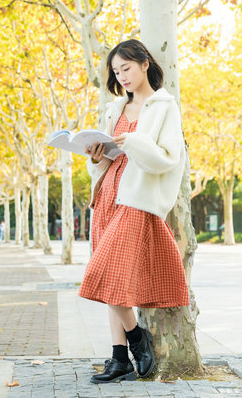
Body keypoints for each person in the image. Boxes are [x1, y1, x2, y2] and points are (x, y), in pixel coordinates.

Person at [80, 39, 190, 384]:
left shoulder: (163, 106)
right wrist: (97, 157)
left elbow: (170, 159)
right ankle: (119, 358)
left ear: (145, 63)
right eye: (116, 71)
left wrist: (136, 143)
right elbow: (106, 161)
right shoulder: (115, 109)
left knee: (106, 274)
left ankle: (138, 337)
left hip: (136, 199)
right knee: (114, 282)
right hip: (108, 195)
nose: (122, 76)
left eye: (126, 68)